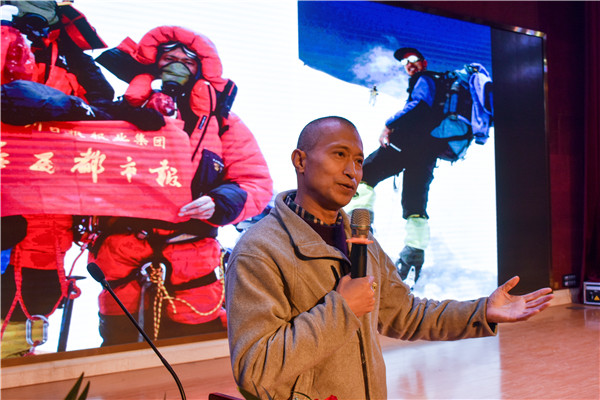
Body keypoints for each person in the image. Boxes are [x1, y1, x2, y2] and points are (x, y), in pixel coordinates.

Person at [225, 116, 553, 399]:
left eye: (358, 160)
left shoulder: (362, 241)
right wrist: (342, 309)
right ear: (300, 160)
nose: (353, 171)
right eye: (339, 155)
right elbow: (255, 370)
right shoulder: (260, 250)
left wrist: (483, 311)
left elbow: (406, 314)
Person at [87, 26, 273, 345]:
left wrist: (219, 202)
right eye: (169, 58)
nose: (177, 66)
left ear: (201, 69)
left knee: (194, 347)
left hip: (192, 253)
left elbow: (254, 181)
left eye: (187, 61)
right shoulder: (116, 113)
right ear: (153, 63)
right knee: (119, 349)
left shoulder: (224, 123)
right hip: (121, 252)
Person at [0, 0, 117, 358]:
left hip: (51, 222)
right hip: (9, 205)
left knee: (22, 344)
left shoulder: (73, 58)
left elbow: (104, 111)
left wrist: (67, 103)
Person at [345, 47, 459, 286]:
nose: (409, 64)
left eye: (413, 59)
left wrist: (389, 125)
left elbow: (419, 105)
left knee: (365, 174)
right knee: (415, 204)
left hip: (406, 145)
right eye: (405, 62)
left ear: (424, 62)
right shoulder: (440, 86)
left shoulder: (425, 79)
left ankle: (358, 227)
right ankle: (413, 256)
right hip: (427, 153)